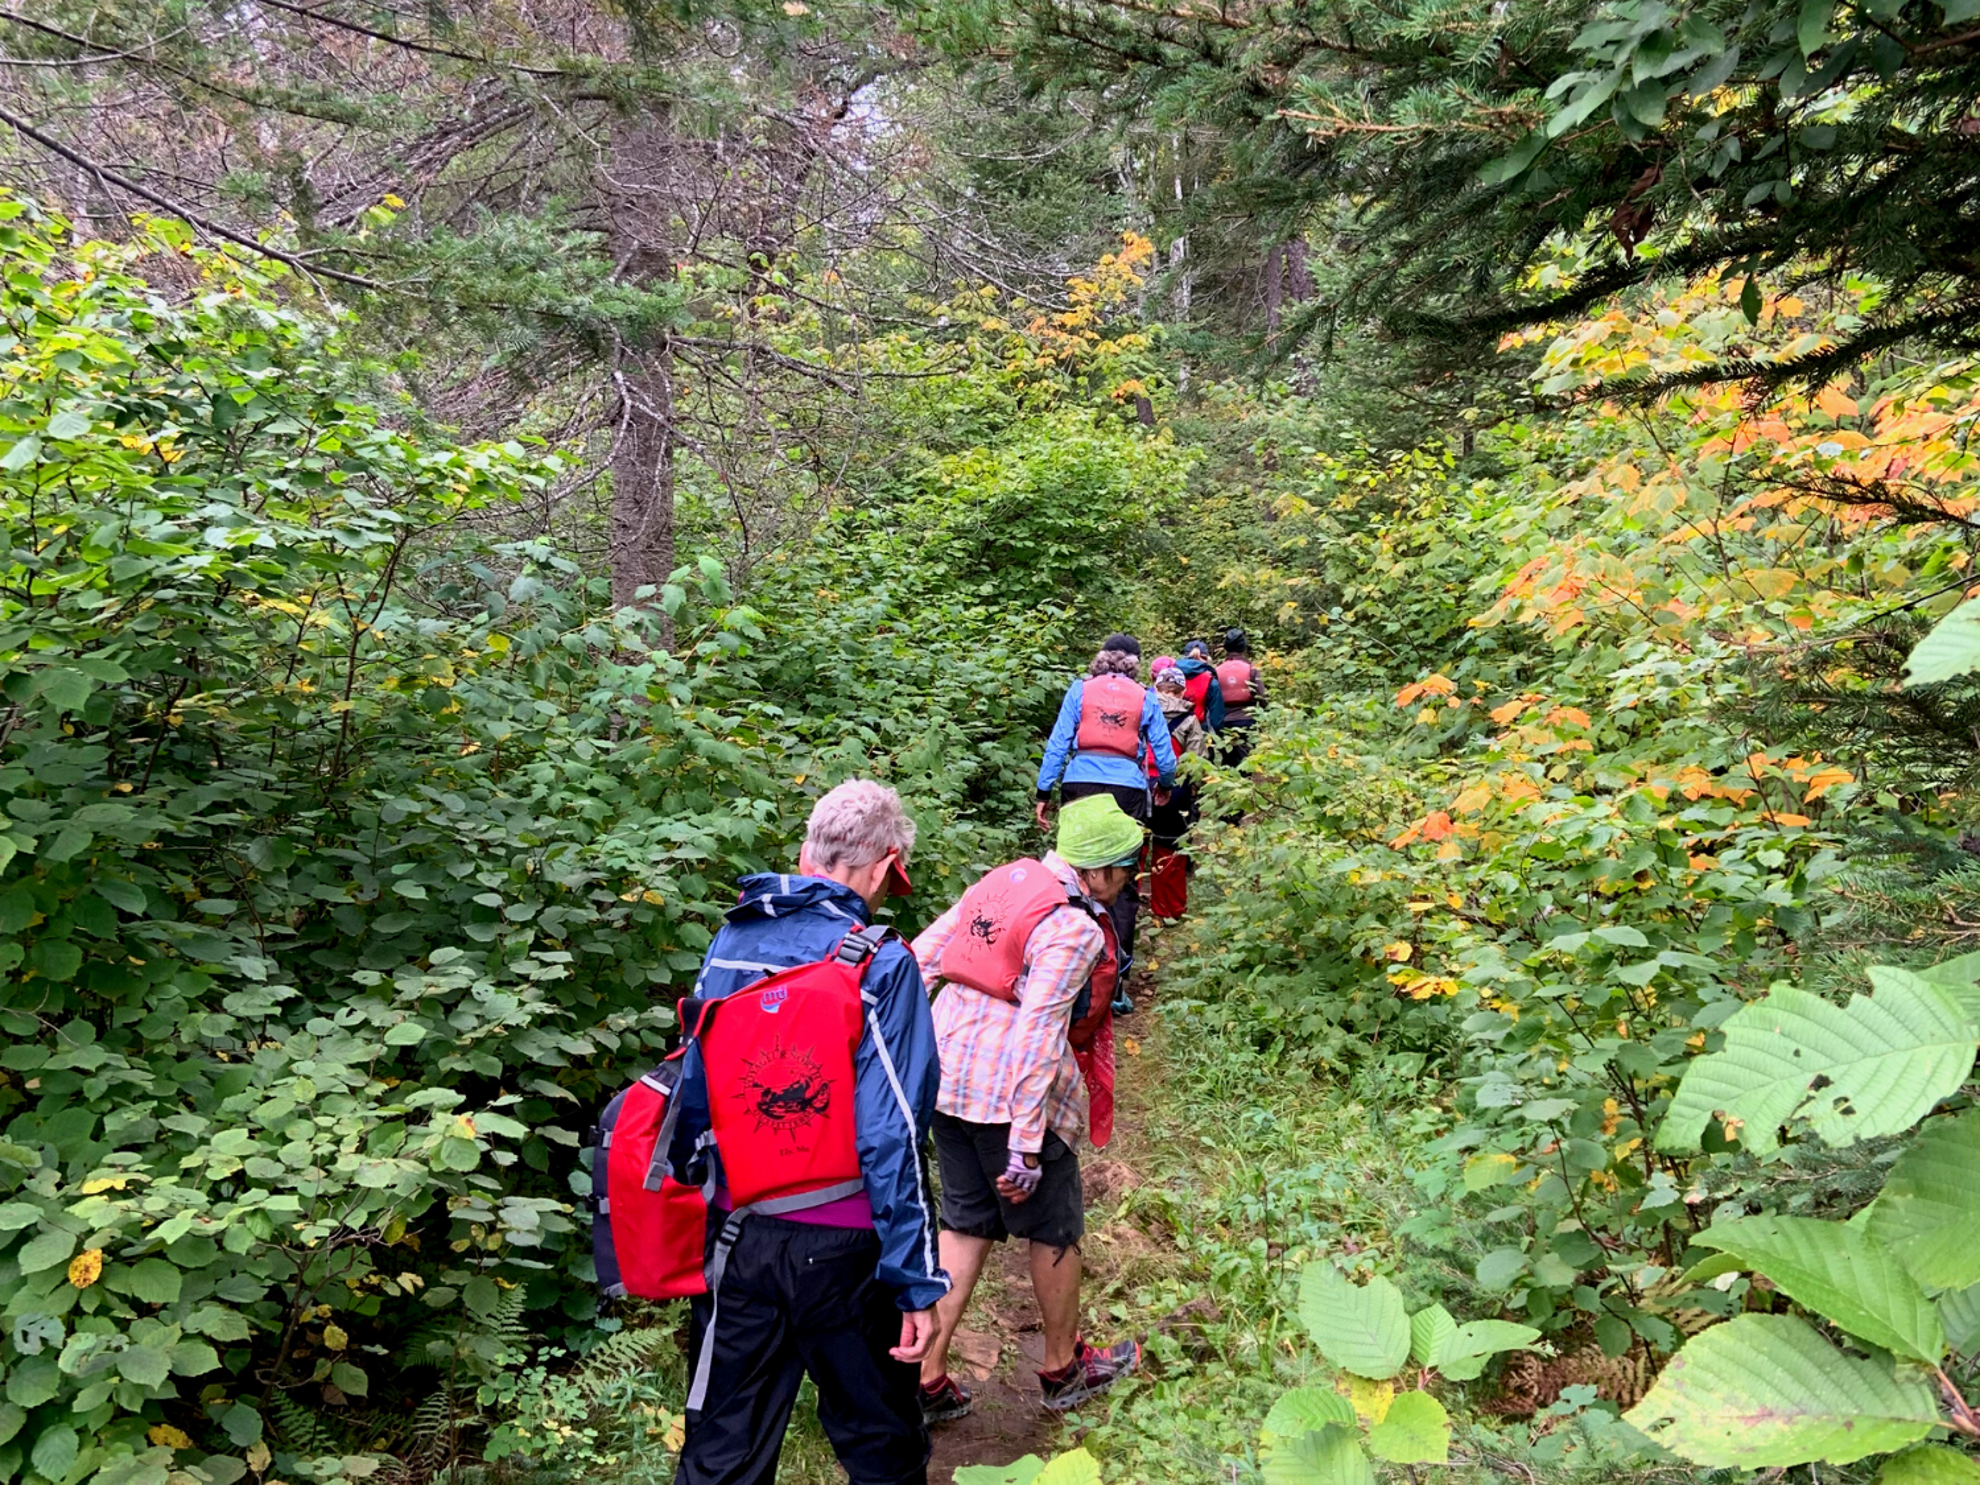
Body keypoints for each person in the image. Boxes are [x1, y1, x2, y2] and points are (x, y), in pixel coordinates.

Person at [665, 780, 948, 1485]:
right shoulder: (881, 962)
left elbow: (693, 1096)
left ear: (805, 852)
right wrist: (915, 1281)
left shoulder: (729, 943)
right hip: (848, 1250)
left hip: (740, 1238)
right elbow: (895, 1134)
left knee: (722, 1453)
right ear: (884, 866)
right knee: (881, 1446)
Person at [912, 793, 1145, 1422]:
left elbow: (920, 957)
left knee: (964, 1224)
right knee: (1054, 1227)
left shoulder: (1006, 881)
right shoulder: (1071, 925)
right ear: (1097, 871)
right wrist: (1025, 1137)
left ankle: (924, 1378)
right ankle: (1064, 1368)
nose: (1126, 880)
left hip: (946, 1078)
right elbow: (1038, 1030)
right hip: (1007, 1095)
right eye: (1123, 869)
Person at [1033, 634, 1175, 1004]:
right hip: (1126, 788)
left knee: (1073, 874)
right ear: (1135, 663)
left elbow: (1059, 742)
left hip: (1079, 783)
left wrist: (1043, 792)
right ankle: (1114, 985)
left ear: (1101, 659)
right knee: (1122, 882)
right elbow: (1164, 753)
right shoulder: (1144, 697)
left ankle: (1067, 977)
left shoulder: (1080, 690)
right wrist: (1164, 786)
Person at [1148, 666, 1206, 921]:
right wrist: (1196, 791)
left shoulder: (1143, 711)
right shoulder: (1190, 719)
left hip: (1138, 783)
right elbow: (1197, 761)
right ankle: (1170, 910)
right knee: (1169, 851)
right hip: (1174, 788)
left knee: (1135, 849)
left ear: (1157, 687)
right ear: (1182, 691)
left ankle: (1129, 903)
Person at [1215, 628, 1266, 769]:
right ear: (1243, 647)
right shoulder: (1251, 669)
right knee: (1245, 761)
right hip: (1246, 721)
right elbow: (1261, 696)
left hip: (1223, 722)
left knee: (1228, 761)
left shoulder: (1217, 670)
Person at [1176, 639, 1226, 733]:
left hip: (1174, 732)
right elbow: (1216, 719)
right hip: (1200, 731)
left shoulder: (1171, 675)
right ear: (1207, 659)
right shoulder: (1211, 681)